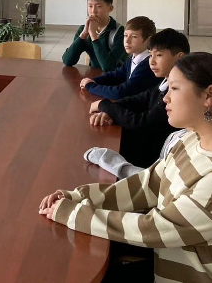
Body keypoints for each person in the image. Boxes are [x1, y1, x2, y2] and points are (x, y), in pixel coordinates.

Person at [39, 52, 212, 283]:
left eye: (174, 88)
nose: (165, 98)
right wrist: (78, 197)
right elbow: (148, 185)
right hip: (163, 260)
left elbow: (156, 228)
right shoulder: (189, 139)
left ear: (208, 95)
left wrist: (74, 214)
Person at [88, 28, 189, 167]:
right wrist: (109, 111)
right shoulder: (164, 82)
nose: (151, 62)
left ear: (180, 57)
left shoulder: (178, 92)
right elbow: (136, 100)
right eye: (150, 55)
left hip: (153, 161)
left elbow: (141, 122)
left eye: (159, 55)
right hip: (143, 147)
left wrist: (103, 105)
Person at [80, 16, 159, 99]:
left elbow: (120, 93)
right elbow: (116, 75)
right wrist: (93, 81)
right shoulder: (134, 58)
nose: (127, 41)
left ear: (149, 40)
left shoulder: (149, 64)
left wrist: (91, 86)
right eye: (125, 35)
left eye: (134, 37)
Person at [62, 0, 126, 72]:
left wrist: (93, 35)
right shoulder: (83, 29)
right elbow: (67, 61)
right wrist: (84, 34)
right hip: (93, 75)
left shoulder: (119, 31)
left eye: (99, 6)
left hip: (116, 77)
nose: (93, 11)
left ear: (110, 8)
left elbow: (108, 67)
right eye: (90, 6)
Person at [84, 129, 188, 179]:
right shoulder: (177, 135)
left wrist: (106, 158)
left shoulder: (192, 147)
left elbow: (157, 183)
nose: (165, 98)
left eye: (176, 91)